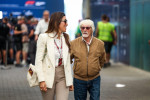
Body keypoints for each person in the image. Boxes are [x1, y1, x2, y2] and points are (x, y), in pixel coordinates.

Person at [35, 12, 73, 100]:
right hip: (47, 76)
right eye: (65, 21)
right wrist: (41, 80)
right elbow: (38, 60)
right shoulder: (44, 37)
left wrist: (70, 80)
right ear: (57, 22)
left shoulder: (66, 38)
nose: (67, 24)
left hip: (63, 76)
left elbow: (67, 62)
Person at [70, 19, 106, 100]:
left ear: (92, 29)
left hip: (95, 79)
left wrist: (97, 68)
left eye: (87, 28)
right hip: (79, 79)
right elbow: (68, 59)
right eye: (82, 28)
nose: (85, 30)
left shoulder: (100, 44)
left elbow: (102, 59)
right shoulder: (73, 43)